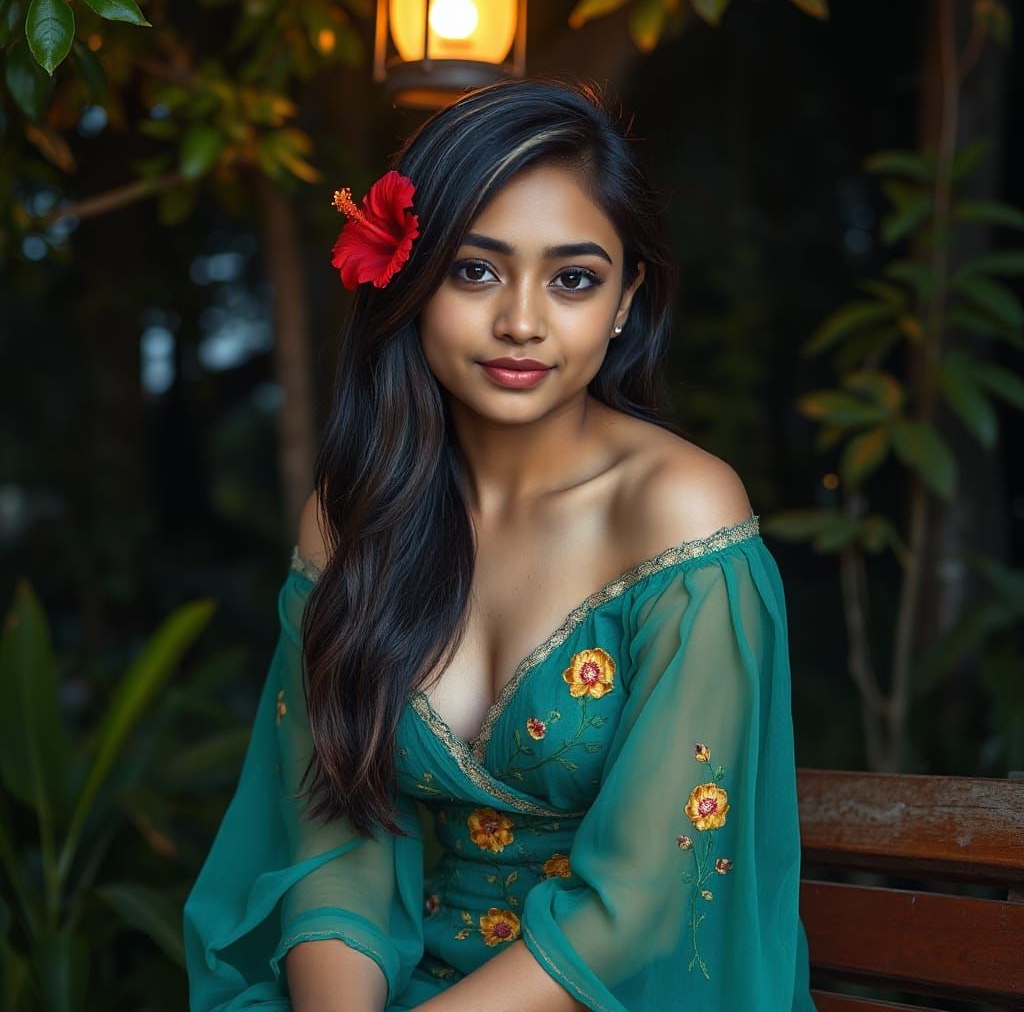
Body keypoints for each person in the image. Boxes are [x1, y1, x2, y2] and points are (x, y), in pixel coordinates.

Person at [183, 74, 817, 1012]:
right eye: (476, 270)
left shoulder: (679, 512)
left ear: (626, 298)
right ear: (409, 276)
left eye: (573, 278)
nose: (522, 319)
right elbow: (333, 843)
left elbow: (639, 900)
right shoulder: (351, 518)